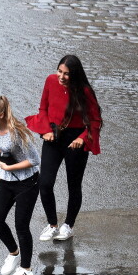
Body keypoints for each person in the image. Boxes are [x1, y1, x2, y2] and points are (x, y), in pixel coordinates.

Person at [25, 55, 102, 241]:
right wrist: (45, 131)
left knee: (73, 185)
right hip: (53, 136)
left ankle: (68, 225)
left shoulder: (84, 91)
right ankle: (52, 224)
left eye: (66, 74)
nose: (61, 76)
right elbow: (43, 109)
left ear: (74, 74)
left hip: (75, 140)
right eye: (59, 71)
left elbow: (95, 120)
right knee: (44, 183)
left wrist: (83, 138)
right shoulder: (50, 81)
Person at [0, 95, 41, 275]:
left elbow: (34, 160)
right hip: (5, 181)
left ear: (0, 115)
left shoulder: (18, 132)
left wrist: (8, 168)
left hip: (27, 182)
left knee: (21, 226)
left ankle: (26, 269)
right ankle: (14, 253)